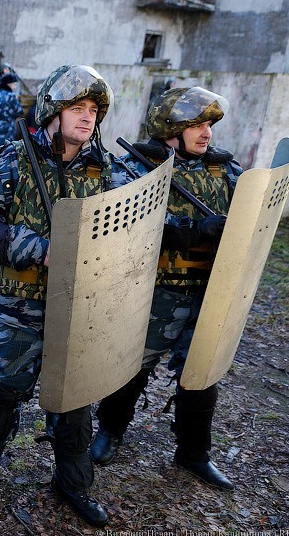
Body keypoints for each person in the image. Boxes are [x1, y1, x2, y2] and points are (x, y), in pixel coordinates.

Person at [0, 65, 133, 528]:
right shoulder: (12, 160)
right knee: (6, 390)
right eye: (77, 108)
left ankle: (73, 483)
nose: (87, 118)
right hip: (21, 304)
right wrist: (40, 250)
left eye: (93, 110)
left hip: (80, 304)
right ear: (54, 110)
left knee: (73, 396)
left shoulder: (106, 170)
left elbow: (129, 230)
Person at [89, 87, 239, 491]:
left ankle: (194, 454)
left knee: (201, 374)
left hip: (210, 291)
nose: (207, 132)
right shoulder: (135, 169)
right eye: (197, 124)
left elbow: (252, 216)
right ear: (172, 126)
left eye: (209, 124)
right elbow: (122, 225)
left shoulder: (225, 172)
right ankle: (109, 432)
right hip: (154, 290)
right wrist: (189, 233)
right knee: (132, 369)